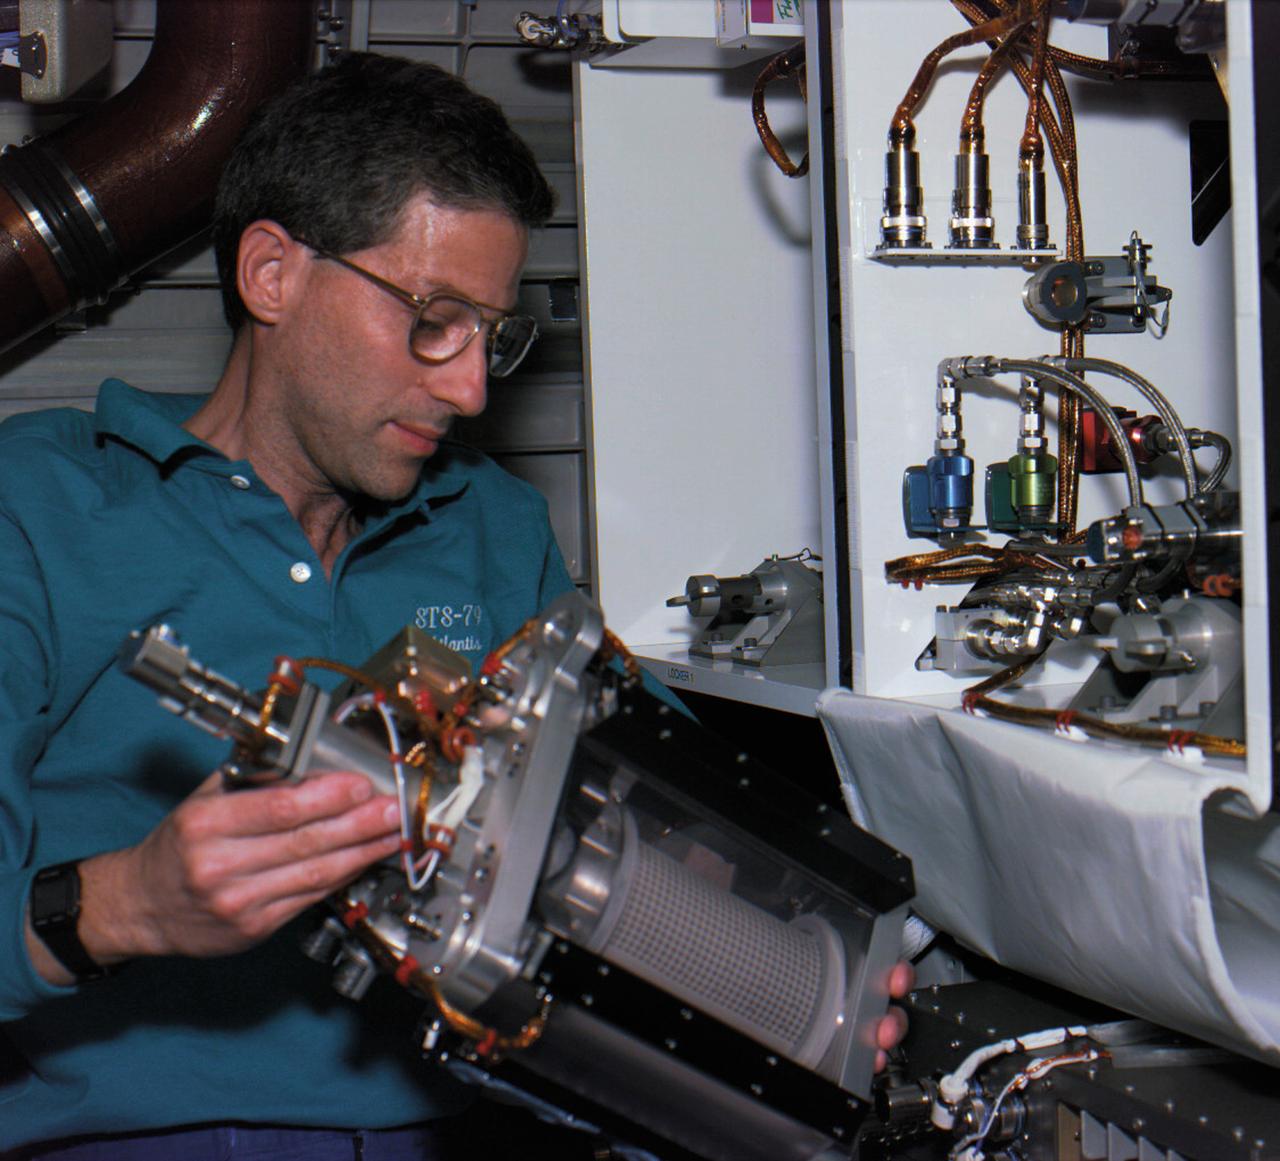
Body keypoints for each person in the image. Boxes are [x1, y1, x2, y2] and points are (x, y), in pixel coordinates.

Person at [1, 53, 908, 1159]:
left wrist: (803, 965)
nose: (470, 387)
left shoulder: (489, 527)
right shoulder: (43, 508)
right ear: (272, 273)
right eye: (432, 320)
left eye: (492, 335)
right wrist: (124, 906)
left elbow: (668, 804)